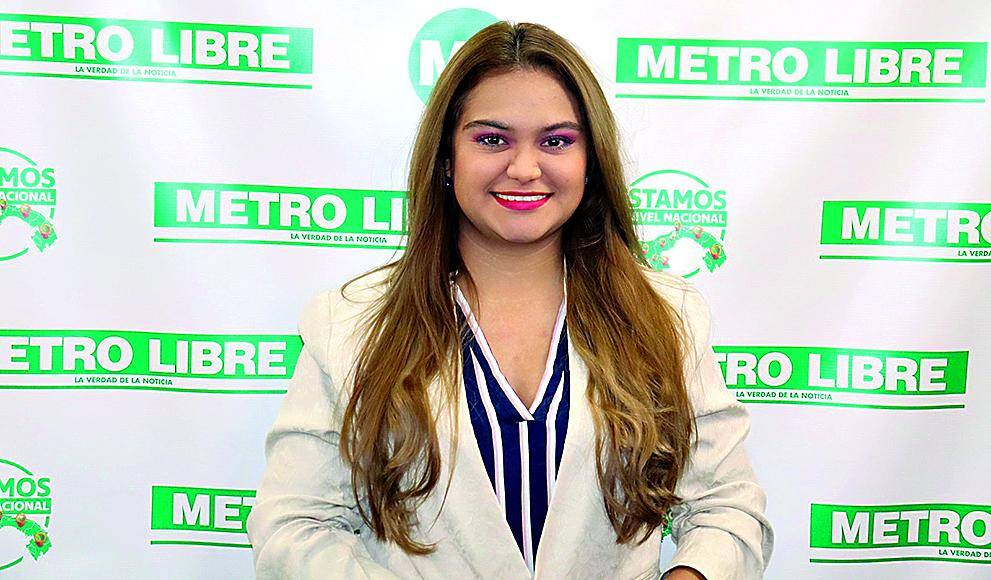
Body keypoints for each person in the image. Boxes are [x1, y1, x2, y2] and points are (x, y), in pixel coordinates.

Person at [246, 21, 773, 579]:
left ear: (590, 162)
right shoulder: (352, 323)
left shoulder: (664, 316)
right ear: (447, 159)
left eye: (556, 141)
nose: (524, 169)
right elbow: (294, 526)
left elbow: (727, 510)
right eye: (492, 140)